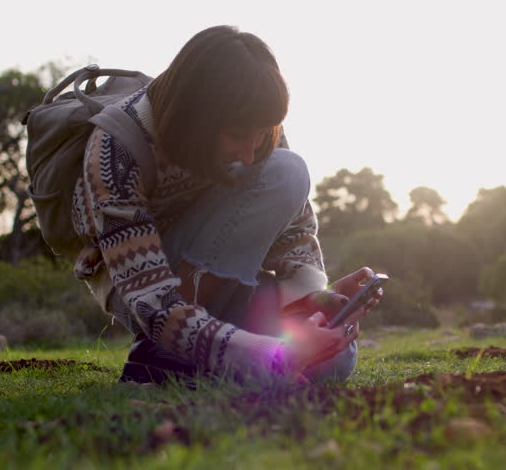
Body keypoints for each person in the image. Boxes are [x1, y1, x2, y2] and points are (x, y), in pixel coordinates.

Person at [71, 25, 381, 385]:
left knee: (333, 361)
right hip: (147, 288)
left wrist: (312, 298)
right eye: (236, 135)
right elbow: (151, 303)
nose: (250, 155)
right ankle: (160, 359)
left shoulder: (256, 127)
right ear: (197, 115)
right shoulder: (115, 147)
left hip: (230, 277)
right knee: (286, 171)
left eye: (262, 134)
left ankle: (202, 359)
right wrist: (277, 358)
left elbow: (294, 230)